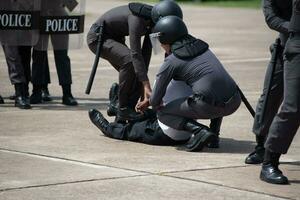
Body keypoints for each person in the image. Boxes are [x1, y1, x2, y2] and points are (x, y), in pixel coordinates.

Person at [136, 16, 241, 151]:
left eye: (161, 42)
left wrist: (150, 102)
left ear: (167, 39)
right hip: (234, 100)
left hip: (209, 106)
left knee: (162, 113)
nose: (161, 45)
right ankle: (214, 136)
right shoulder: (203, 48)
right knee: (214, 90)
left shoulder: (172, 61)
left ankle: (200, 131)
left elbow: (156, 101)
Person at [87, 0, 183, 122]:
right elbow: (136, 53)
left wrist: (144, 91)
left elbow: (145, 55)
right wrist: (146, 85)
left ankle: (124, 108)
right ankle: (122, 109)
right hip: (98, 38)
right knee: (130, 61)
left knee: (138, 70)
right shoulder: (137, 20)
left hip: (114, 38)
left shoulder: (154, 22)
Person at [245, 0, 293, 165]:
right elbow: (271, 19)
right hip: (285, 48)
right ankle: (261, 146)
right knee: (269, 97)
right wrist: (294, 29)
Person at [258, 0, 300, 185]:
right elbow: (271, 18)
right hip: (294, 45)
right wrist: (289, 27)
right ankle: (267, 158)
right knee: (290, 106)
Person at [89, 81, 193, 147]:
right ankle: (116, 109)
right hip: (188, 131)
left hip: (167, 134)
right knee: (145, 113)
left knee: (130, 129)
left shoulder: (168, 68)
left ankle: (107, 127)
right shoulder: (201, 62)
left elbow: (154, 100)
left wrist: (147, 99)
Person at [30, 0, 78, 106]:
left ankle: (67, 93)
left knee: (62, 56)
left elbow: (72, 5)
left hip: (58, 13)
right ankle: (36, 91)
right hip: (39, 13)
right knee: (38, 55)